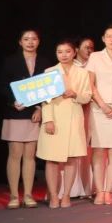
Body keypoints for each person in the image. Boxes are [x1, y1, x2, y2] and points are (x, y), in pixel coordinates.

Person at [38, 39, 92, 207]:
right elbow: (45, 99)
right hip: (54, 118)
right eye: (60, 52)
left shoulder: (82, 73)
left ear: (74, 52)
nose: (64, 55)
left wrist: (75, 94)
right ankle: (54, 196)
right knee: (52, 159)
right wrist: (48, 120)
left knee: (71, 159)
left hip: (73, 118)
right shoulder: (49, 72)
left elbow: (87, 96)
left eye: (67, 51)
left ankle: (67, 195)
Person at [0, 28, 43, 208]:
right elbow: (2, 85)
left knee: (30, 156)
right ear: (20, 42)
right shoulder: (10, 61)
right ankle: (13, 195)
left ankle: (28, 195)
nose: (30, 42)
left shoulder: (45, 62)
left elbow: (49, 88)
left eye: (33, 39)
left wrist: (40, 108)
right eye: (26, 39)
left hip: (33, 114)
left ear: (38, 41)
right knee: (15, 154)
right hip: (15, 113)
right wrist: (13, 101)